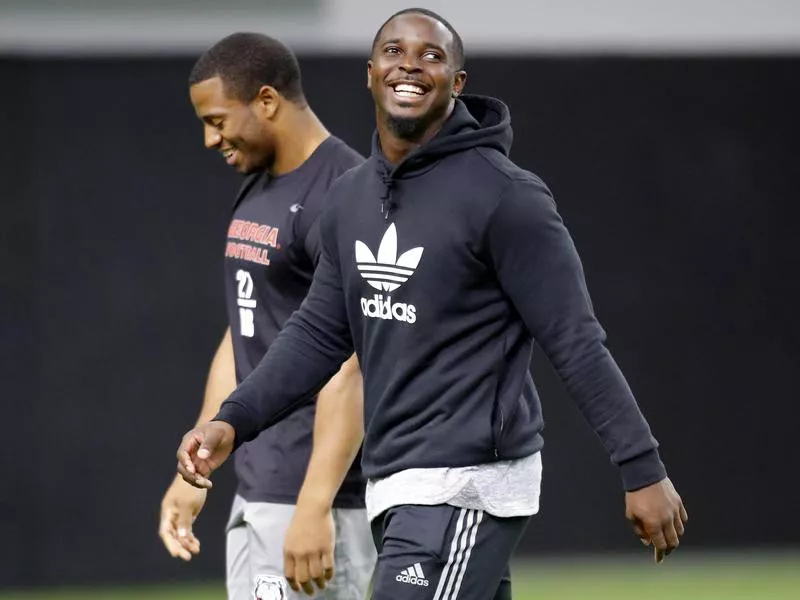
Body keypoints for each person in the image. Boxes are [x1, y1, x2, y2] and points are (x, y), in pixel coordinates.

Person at [177, 10, 688, 600]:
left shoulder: (506, 197)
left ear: (457, 82)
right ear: (370, 74)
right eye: (394, 52)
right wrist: (232, 421)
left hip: (469, 482)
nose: (411, 65)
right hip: (394, 484)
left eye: (432, 55)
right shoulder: (350, 200)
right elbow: (317, 335)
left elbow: (575, 341)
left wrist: (642, 468)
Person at [158, 32, 376, 600]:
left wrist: (314, 505)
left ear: (266, 100)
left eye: (217, 119)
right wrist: (198, 467)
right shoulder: (258, 188)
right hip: (257, 490)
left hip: (312, 500)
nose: (210, 139)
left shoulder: (343, 196)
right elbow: (246, 328)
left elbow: (350, 364)